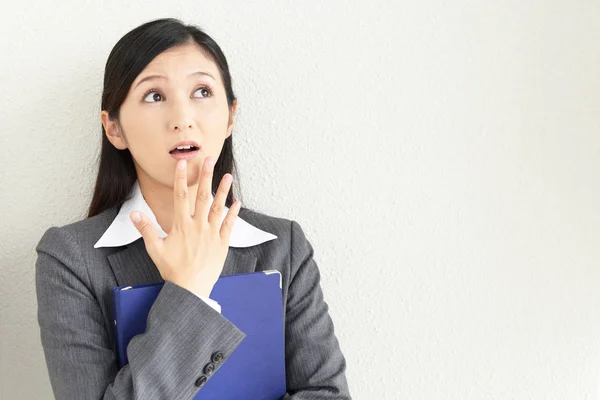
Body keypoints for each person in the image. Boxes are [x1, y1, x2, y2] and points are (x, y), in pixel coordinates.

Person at [34, 17, 351, 400]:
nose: (183, 118)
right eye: (154, 96)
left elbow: (327, 394)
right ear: (114, 128)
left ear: (231, 115)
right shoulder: (70, 259)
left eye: (202, 91)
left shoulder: (284, 246)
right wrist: (189, 290)